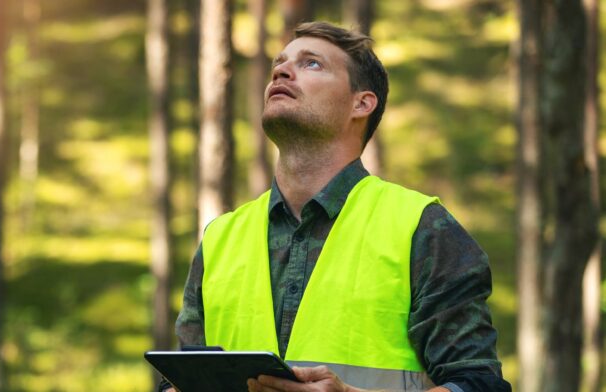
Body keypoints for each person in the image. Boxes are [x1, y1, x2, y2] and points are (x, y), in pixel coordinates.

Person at [161, 21, 511, 392]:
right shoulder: (220, 238)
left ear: (361, 103)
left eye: (311, 63)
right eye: (279, 64)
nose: (281, 70)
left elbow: (478, 384)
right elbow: (182, 378)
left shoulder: (421, 227)